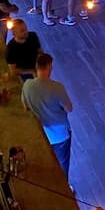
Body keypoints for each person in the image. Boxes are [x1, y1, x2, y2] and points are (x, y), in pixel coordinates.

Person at [21, 52, 73, 180]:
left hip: (41, 134)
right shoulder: (57, 87)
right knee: (62, 166)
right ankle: (64, 190)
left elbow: (25, 107)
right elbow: (69, 108)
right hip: (60, 135)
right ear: (49, 67)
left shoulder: (27, 86)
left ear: (36, 67)